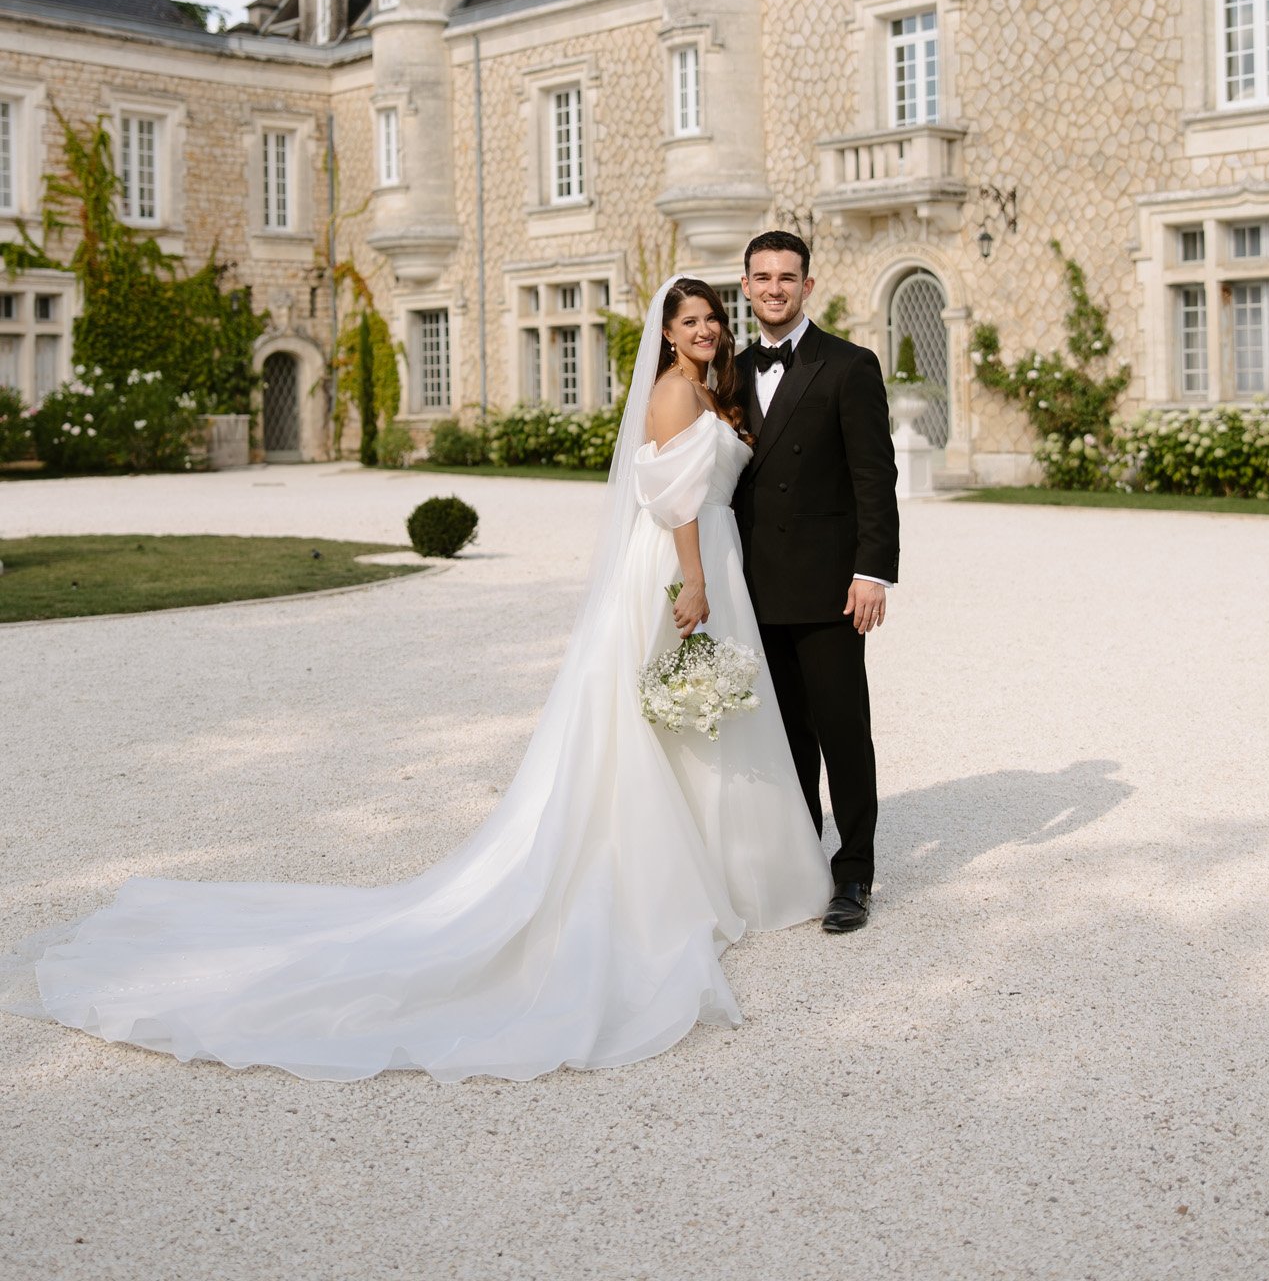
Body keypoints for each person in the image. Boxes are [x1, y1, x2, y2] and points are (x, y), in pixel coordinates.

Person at [0, 279, 830, 1084]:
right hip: (683, 566)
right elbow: (678, 499)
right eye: (691, 319)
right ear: (667, 329)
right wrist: (692, 580)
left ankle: (729, 868)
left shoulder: (709, 391)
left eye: (711, 319)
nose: (706, 330)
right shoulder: (675, 396)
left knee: (698, 720)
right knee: (670, 721)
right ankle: (702, 878)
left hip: (710, 563)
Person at [733, 232, 899, 935]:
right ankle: (801, 862)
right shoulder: (725, 373)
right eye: (763, 276)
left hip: (830, 586)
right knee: (781, 736)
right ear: (744, 285)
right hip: (751, 587)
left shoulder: (848, 365)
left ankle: (853, 871)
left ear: (807, 284)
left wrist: (871, 572)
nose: (775, 287)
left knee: (841, 730)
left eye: (787, 276)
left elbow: (874, 479)